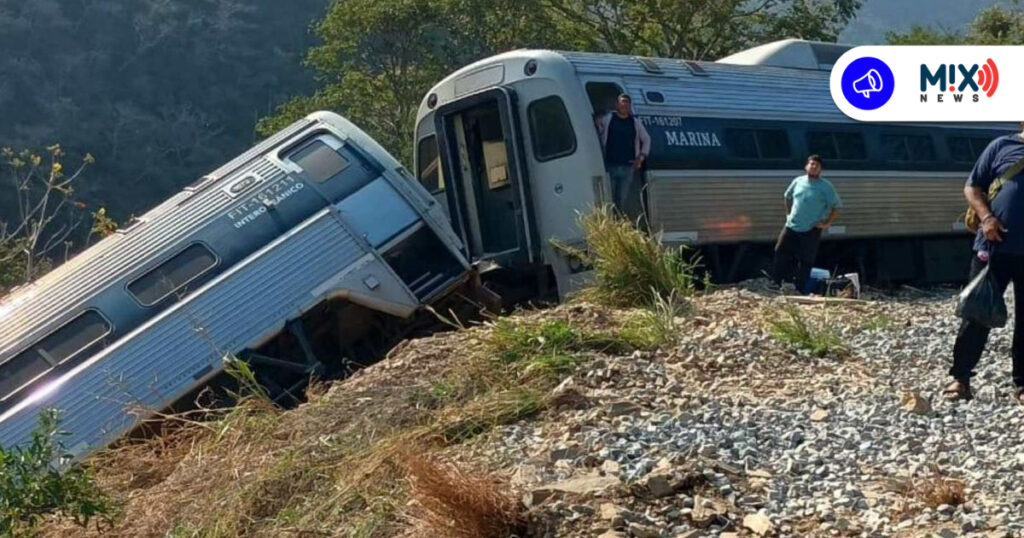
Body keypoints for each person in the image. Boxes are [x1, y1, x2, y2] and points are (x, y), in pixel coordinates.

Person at [944, 124, 1024, 403]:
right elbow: (973, 186)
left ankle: (1022, 384)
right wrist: (987, 218)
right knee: (976, 311)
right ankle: (961, 378)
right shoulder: (1001, 146)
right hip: (994, 246)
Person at [771, 155, 842, 293]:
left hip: (811, 228)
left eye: (817, 165)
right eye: (811, 164)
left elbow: (836, 206)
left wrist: (827, 223)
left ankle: (800, 288)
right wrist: (788, 214)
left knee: (806, 260)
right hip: (791, 225)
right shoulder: (798, 181)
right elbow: (787, 196)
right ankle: (778, 282)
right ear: (806, 166)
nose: (813, 167)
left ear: (821, 169)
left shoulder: (825, 186)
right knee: (780, 251)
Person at [597, 94, 651, 214]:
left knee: (621, 198)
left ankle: (619, 220)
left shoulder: (635, 123)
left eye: (627, 103)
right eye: (622, 102)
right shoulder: (609, 119)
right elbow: (599, 128)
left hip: (628, 166)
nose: (624, 105)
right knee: (608, 198)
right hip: (610, 165)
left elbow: (646, 139)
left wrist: (641, 157)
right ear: (617, 105)